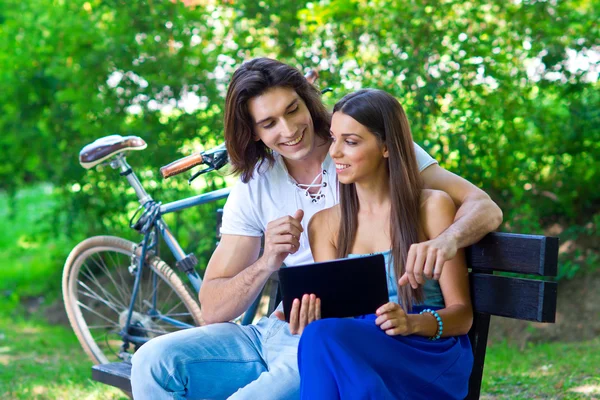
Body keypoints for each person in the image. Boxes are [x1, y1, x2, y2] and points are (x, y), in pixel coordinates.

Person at [130, 58, 500, 399]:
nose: (290, 130)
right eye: (269, 123)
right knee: (152, 361)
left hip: (345, 338)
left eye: (293, 110)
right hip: (284, 329)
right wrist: (269, 260)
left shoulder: (372, 144)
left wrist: (446, 240)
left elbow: (483, 207)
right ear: (254, 132)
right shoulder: (257, 186)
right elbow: (213, 309)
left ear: (307, 101)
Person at [298, 89, 474, 399]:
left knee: (323, 339)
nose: (335, 152)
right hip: (362, 353)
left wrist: (411, 322)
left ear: (386, 148)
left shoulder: (432, 207)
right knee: (319, 336)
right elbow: (335, 322)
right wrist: (308, 316)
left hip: (425, 352)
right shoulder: (324, 225)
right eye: (333, 138)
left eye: (350, 142)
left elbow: (462, 316)